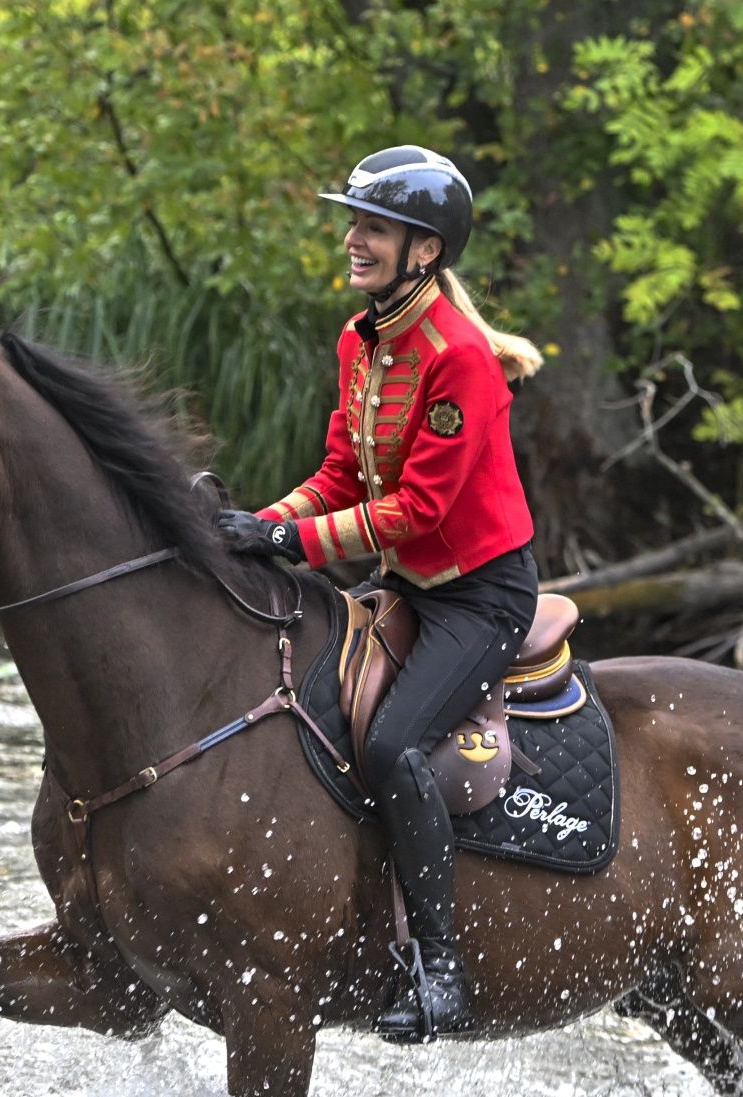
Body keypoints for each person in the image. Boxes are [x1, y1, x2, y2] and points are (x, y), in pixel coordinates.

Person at [217, 145, 544, 1043]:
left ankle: (442, 971)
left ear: (424, 251)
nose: (353, 240)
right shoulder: (360, 339)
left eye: (374, 228)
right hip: (408, 580)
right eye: (354, 223)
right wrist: (254, 525)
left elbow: (418, 508)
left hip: (480, 597)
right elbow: (338, 475)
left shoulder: (460, 358)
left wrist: (289, 543)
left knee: (396, 741)